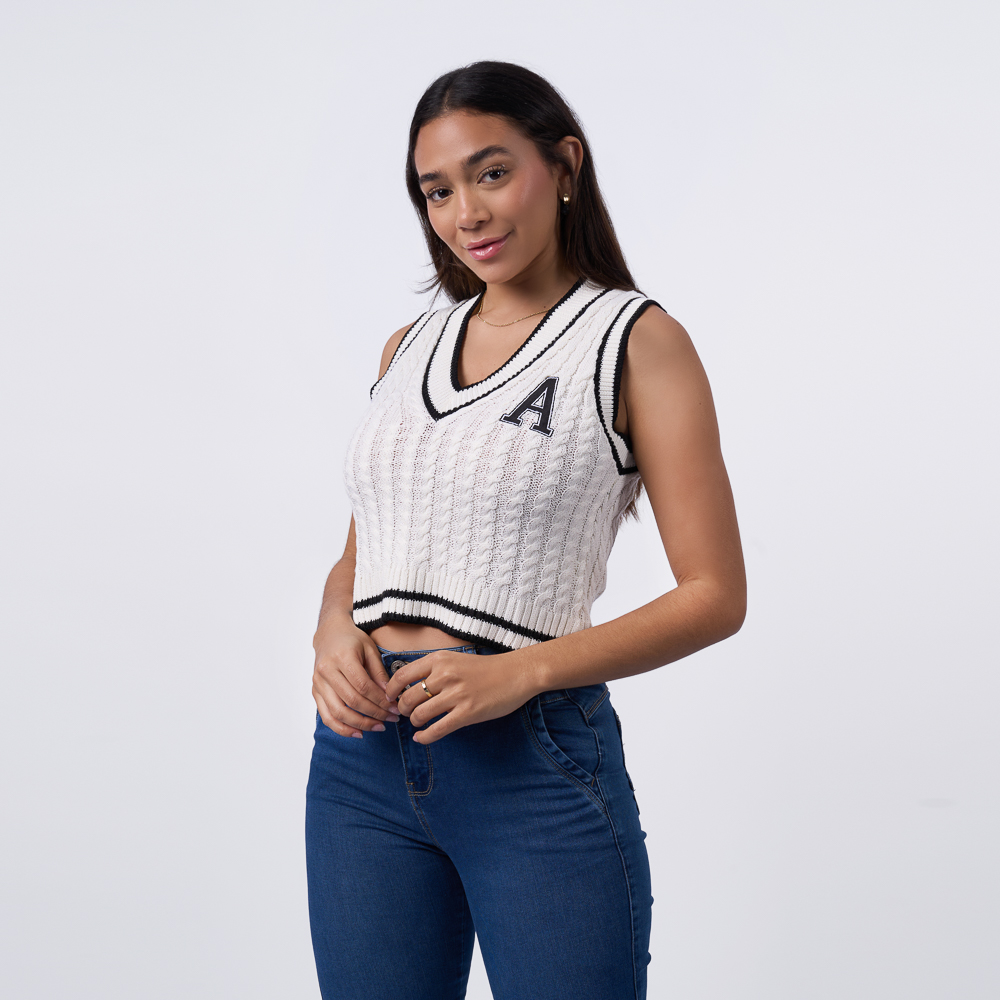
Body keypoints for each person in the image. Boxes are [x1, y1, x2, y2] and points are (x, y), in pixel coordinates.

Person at [305, 61, 746, 1000]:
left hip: (531, 760)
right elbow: (364, 547)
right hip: (359, 763)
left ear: (564, 165)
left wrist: (523, 672)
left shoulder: (635, 341)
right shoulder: (408, 346)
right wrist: (331, 628)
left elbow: (715, 595)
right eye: (437, 190)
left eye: (493, 172)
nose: (467, 212)